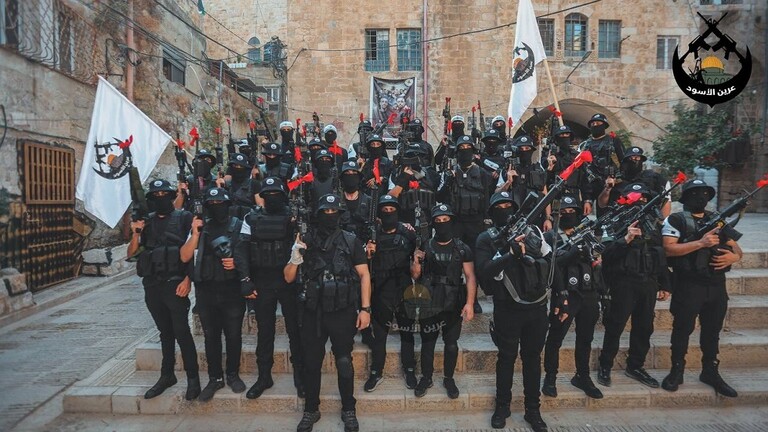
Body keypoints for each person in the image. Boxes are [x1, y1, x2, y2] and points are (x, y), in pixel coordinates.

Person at [285, 194, 372, 432]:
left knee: (344, 361)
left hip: (342, 310)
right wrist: (295, 256)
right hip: (313, 311)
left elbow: (364, 275)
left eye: (334, 212)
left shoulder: (350, 240)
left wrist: (365, 309)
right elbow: (288, 277)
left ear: (340, 215)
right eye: (326, 212)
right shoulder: (305, 239)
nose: (330, 216)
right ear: (319, 214)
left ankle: (349, 409)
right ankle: (311, 409)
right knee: (311, 362)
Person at [474, 191, 560, 431]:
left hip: (536, 307)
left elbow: (551, 261)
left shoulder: (534, 231)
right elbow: (485, 271)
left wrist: (561, 295)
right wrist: (509, 254)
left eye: (508, 206)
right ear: (492, 213)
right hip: (507, 309)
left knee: (532, 359)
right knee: (506, 358)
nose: (504, 211)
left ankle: (533, 410)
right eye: (499, 207)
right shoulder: (486, 239)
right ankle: (502, 406)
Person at [661, 179, 740, 397]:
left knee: (712, 331)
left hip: (716, 285)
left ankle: (710, 371)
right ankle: (677, 370)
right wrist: (700, 243)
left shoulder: (717, 220)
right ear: (685, 197)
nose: (700, 197)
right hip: (688, 284)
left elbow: (737, 248)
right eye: (695, 193)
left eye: (704, 193)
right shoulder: (675, 220)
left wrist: (734, 257)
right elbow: (668, 249)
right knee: (682, 329)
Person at [128, 179, 200, 401]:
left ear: (171, 196)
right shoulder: (146, 222)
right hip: (152, 285)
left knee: (182, 331)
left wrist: (188, 280)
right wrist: (136, 233)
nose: (161, 198)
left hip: (175, 283)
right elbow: (132, 254)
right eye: (156, 195)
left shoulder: (184, 217)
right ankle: (167, 375)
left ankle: (193, 378)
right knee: (165, 333)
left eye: (164, 194)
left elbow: (193, 251)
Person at [597, 183, 672, 389]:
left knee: (644, 327)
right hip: (623, 283)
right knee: (615, 325)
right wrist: (626, 239)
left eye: (644, 199)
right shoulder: (614, 223)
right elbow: (606, 254)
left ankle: (635, 366)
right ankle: (605, 365)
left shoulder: (653, 224)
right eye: (636, 198)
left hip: (648, 282)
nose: (641, 202)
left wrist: (665, 283)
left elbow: (659, 254)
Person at [180, 187, 249, 401]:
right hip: (206, 291)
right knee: (211, 337)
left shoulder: (239, 225)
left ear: (228, 205)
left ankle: (233, 374)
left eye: (220, 204)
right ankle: (215, 377)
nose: (216, 207)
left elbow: (250, 255)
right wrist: (195, 233)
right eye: (212, 204)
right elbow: (185, 257)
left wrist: (236, 263)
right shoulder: (200, 228)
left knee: (234, 335)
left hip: (231, 290)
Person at [243, 177, 305, 399]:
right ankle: (263, 376)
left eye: (276, 194)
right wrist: (245, 279)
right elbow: (242, 250)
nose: (272, 198)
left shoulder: (293, 217)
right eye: (267, 194)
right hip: (262, 280)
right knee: (265, 330)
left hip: (288, 279)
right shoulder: (251, 218)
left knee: (295, 330)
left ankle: (300, 374)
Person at [407, 204, 477, 399]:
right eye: (438, 221)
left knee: (451, 344)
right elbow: (415, 275)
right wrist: (416, 260)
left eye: (445, 220)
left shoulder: (462, 248)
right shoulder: (425, 245)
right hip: (430, 300)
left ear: (451, 222)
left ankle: (449, 378)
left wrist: (470, 303)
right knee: (428, 343)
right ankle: (426, 377)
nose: (442, 223)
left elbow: (470, 276)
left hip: (453, 302)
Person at [541, 195, 604, 400]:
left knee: (585, 338)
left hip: (588, 292)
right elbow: (550, 265)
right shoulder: (550, 237)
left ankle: (582, 376)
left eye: (572, 212)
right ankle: (550, 377)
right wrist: (571, 253)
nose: (568, 215)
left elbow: (598, 260)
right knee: (555, 338)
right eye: (563, 212)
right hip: (565, 293)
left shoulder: (587, 234)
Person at [364, 194, 419, 391]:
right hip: (381, 291)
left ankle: (410, 369)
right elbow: (363, 265)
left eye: (392, 210)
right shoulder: (372, 234)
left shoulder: (408, 233)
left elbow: (418, 257)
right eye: (385, 210)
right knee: (380, 336)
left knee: (407, 334)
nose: (388, 213)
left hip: (404, 289)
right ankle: (376, 371)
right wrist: (368, 251)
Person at [495, 135, 552, 230]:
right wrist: (508, 182)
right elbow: (497, 193)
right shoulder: (507, 170)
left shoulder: (538, 170)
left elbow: (545, 196)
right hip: (513, 220)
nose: (524, 151)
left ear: (532, 150)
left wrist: (548, 218)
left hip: (536, 218)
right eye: (521, 149)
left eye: (527, 148)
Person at [579, 113, 626, 208]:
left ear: (604, 125)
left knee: (609, 211)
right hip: (591, 184)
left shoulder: (613, 141)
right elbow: (581, 166)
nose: (595, 125)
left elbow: (624, 161)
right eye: (593, 123)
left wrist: (618, 178)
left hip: (611, 183)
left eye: (598, 123)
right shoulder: (585, 144)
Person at [544, 125, 593, 216]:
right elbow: (544, 183)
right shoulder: (548, 157)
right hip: (555, 196)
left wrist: (587, 200)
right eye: (561, 135)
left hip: (574, 196)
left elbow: (585, 180)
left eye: (567, 135)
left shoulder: (578, 157)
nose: (564, 137)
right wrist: (550, 167)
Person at [338, 161, 373, 243]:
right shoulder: (337, 200)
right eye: (347, 173)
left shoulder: (369, 200)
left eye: (354, 173)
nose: (351, 176)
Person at [226, 153, 258, 219]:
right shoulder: (225, 184)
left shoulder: (254, 184)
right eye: (235, 166)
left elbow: (260, 206)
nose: (238, 168)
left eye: (241, 166)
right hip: (228, 220)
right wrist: (220, 186)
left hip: (248, 219)